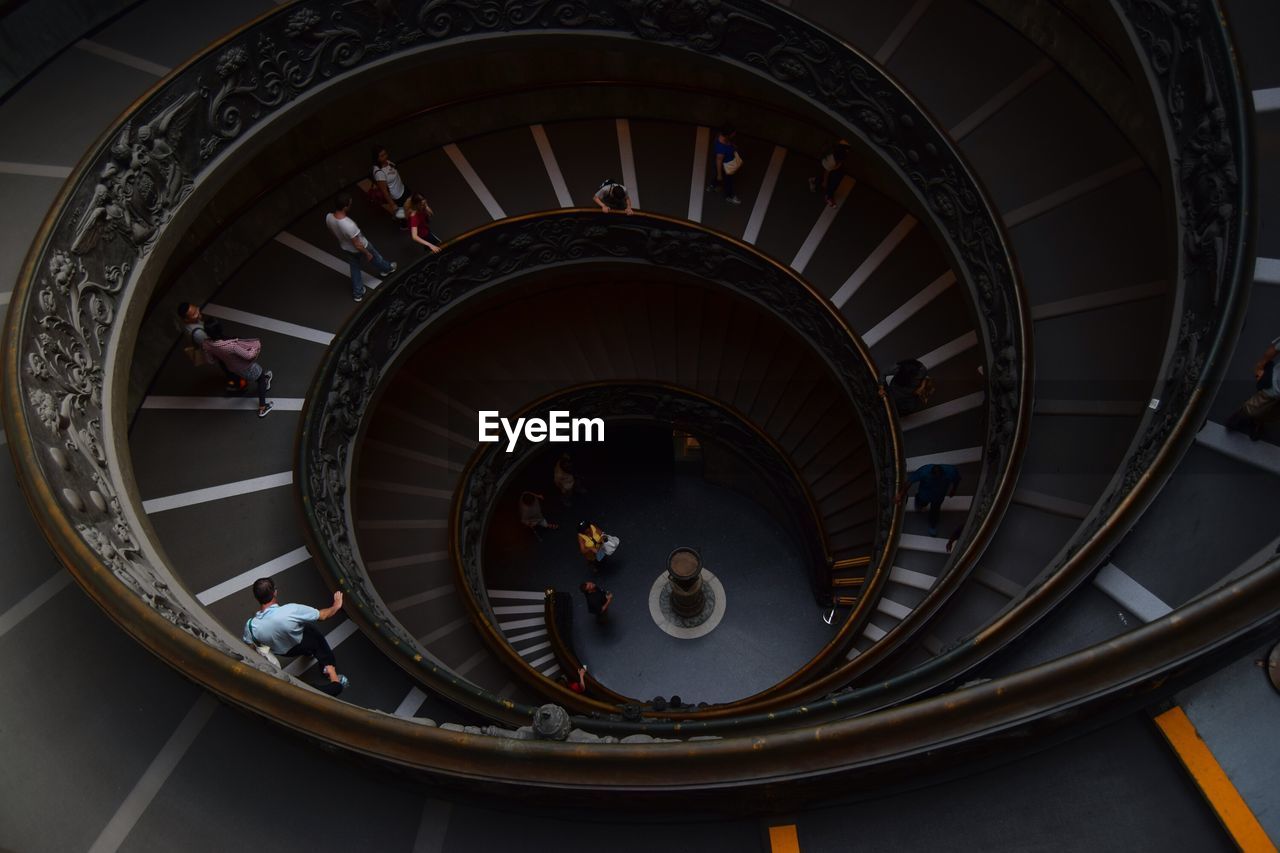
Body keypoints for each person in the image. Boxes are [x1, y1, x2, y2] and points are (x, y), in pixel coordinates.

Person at [243, 578, 348, 695]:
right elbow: (322, 616)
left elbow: (251, 645)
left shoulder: (250, 626)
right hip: (302, 642)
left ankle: (309, 654)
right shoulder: (291, 610)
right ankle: (327, 667)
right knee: (315, 637)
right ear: (275, 592)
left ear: (257, 598)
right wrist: (336, 606)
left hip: (284, 652)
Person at [194, 317, 275, 418]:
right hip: (247, 367)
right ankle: (262, 407)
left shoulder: (206, 344)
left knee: (258, 376)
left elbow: (211, 361)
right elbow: (248, 356)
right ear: (220, 328)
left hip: (232, 368)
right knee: (261, 379)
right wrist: (256, 348)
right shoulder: (231, 345)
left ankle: (261, 382)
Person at [325, 193, 397, 302]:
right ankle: (388, 268)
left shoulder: (329, 217)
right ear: (345, 207)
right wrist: (367, 253)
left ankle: (358, 293)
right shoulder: (349, 225)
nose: (351, 205)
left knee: (355, 269)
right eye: (350, 204)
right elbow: (358, 244)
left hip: (346, 248)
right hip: (362, 246)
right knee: (376, 258)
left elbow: (332, 231)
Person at [176, 302, 243, 392]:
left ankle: (237, 381)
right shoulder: (198, 334)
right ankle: (239, 384)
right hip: (219, 353)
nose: (198, 313)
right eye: (194, 314)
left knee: (228, 367)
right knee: (228, 367)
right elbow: (213, 346)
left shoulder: (193, 322)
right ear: (186, 320)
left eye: (196, 309)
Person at [1224, 334, 1279, 440]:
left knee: (1274, 414)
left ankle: (1258, 422)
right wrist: (1260, 366)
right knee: (1255, 405)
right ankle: (1242, 415)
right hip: (1276, 385)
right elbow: (1275, 348)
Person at [896, 464, 962, 536]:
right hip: (924, 495)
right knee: (921, 502)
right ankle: (919, 505)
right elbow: (909, 481)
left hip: (938, 497)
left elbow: (956, 480)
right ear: (931, 473)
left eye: (939, 477)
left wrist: (953, 490)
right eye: (935, 478)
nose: (937, 479)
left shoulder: (951, 471)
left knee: (935, 511)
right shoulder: (924, 471)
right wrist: (900, 494)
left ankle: (932, 525)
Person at [371, 145, 410, 223]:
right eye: (382, 156)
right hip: (397, 196)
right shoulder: (379, 173)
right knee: (403, 214)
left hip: (402, 188)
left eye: (385, 154)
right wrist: (392, 205)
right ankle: (403, 224)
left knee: (408, 206)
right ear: (377, 159)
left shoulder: (388, 162)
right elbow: (384, 191)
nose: (385, 157)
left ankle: (398, 216)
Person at [705, 125, 742, 204]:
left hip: (724, 164)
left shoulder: (723, 138)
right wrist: (719, 175)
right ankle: (729, 196)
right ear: (728, 134)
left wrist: (732, 146)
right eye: (733, 133)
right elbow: (719, 161)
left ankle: (713, 185)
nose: (734, 134)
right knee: (728, 181)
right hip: (726, 166)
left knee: (717, 176)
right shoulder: (721, 148)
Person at [809, 138, 850, 207]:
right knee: (826, 181)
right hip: (827, 167)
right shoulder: (832, 161)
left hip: (833, 167)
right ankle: (815, 182)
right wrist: (825, 182)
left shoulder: (840, 151)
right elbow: (826, 173)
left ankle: (827, 194)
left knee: (834, 181)